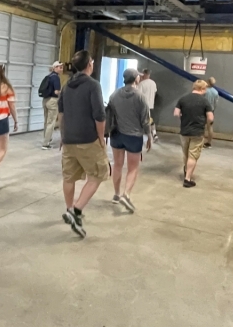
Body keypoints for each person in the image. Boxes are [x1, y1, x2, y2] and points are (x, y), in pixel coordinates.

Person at [57, 50, 108, 238]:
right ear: (89, 65)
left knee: (69, 177)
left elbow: (61, 113)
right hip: (88, 139)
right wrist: (101, 137)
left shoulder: (66, 85)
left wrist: (63, 135)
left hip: (69, 139)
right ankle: (76, 211)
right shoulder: (93, 85)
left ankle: (69, 208)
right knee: (98, 174)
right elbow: (99, 115)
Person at [106, 67, 151, 213]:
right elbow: (145, 120)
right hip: (134, 136)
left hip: (116, 134)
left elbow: (109, 114)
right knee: (133, 168)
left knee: (117, 165)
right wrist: (149, 136)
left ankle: (116, 194)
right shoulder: (140, 96)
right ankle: (126, 194)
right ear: (136, 78)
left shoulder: (114, 95)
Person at [174, 79, 214, 188]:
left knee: (186, 154)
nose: (205, 91)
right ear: (201, 89)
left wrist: (184, 117)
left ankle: (187, 169)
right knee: (193, 155)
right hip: (197, 132)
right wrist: (204, 122)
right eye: (205, 89)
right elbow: (210, 118)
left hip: (184, 131)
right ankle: (187, 179)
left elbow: (176, 113)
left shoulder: (183, 99)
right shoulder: (205, 102)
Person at [40, 61, 63, 149]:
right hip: (53, 101)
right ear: (55, 68)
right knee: (51, 122)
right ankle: (46, 143)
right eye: (60, 67)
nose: (61, 69)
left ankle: (46, 138)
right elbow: (56, 91)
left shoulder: (48, 76)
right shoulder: (56, 78)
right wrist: (62, 93)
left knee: (46, 121)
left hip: (45, 100)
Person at [138, 68, 158, 141]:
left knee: (144, 120)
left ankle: (151, 134)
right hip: (150, 104)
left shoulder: (142, 84)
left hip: (142, 105)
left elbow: (138, 95)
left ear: (144, 74)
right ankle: (154, 134)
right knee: (149, 119)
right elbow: (155, 93)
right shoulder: (153, 83)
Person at [203, 76, 219, 148]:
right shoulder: (215, 92)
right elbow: (216, 103)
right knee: (210, 127)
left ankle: (201, 142)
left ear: (208, 82)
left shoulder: (204, 90)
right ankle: (209, 143)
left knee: (201, 126)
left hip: (203, 110)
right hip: (211, 111)